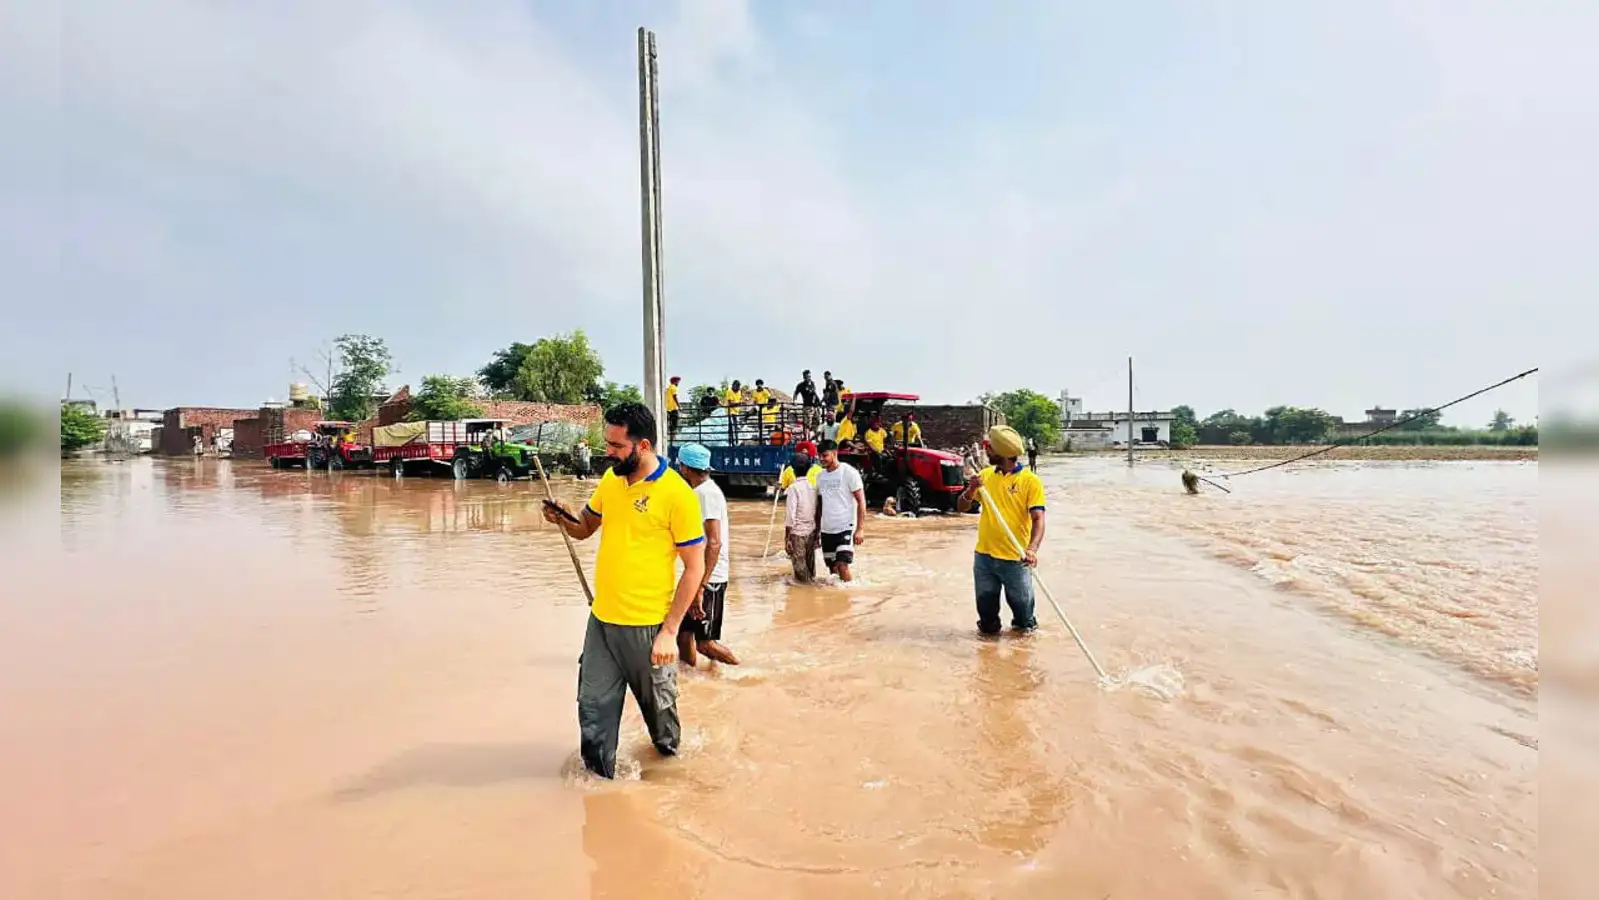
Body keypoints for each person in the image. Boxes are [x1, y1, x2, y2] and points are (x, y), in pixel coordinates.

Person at [540, 403, 707, 779]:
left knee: (662, 724)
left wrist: (668, 632)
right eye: (607, 443)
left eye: (616, 445)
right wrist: (563, 518)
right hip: (602, 620)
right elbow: (584, 528)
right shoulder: (610, 482)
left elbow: (694, 568)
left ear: (643, 445)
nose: (608, 452)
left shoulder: (676, 494)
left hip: (648, 627)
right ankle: (599, 789)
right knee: (592, 707)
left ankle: (673, 779)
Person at [955, 425, 1046, 636]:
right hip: (984, 558)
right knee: (987, 622)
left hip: (1016, 559)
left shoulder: (1030, 481)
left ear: (1003, 452)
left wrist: (1032, 549)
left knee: (1024, 624)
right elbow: (960, 507)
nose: (987, 451)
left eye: (990, 448)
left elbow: (1038, 519)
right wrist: (971, 490)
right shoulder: (985, 477)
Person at [673, 443, 739, 668]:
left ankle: (743, 670)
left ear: (685, 468)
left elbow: (714, 541)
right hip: (699, 575)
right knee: (683, 635)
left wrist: (701, 586)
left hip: (711, 578)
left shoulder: (705, 494)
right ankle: (692, 679)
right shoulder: (700, 492)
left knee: (705, 643)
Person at [814, 439, 867, 582]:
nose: (821, 459)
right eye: (819, 456)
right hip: (827, 529)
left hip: (845, 526)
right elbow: (819, 505)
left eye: (825, 455)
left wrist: (860, 529)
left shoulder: (849, 473)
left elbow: (861, 501)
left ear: (835, 454)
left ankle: (850, 596)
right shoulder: (820, 477)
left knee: (842, 565)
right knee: (832, 569)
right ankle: (837, 601)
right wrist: (817, 530)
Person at [783, 452, 821, 583]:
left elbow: (790, 516)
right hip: (811, 531)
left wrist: (787, 538)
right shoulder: (813, 488)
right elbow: (818, 512)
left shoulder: (793, 489)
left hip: (797, 533)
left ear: (792, 470)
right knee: (811, 570)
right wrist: (817, 534)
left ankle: (808, 594)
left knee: (800, 574)